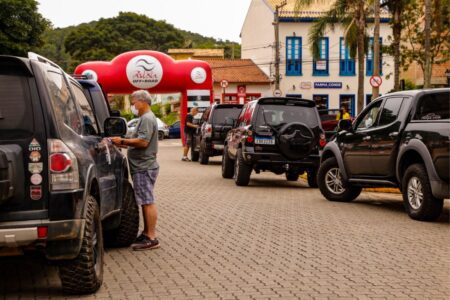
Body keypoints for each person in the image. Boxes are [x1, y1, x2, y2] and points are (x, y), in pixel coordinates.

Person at [111, 90, 160, 251]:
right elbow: (137, 141)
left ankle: (151, 237)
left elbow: (143, 142)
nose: (133, 105)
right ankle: (146, 233)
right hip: (142, 166)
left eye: (134, 102)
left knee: (147, 201)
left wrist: (123, 140)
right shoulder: (144, 118)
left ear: (142, 101)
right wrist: (122, 143)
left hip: (144, 167)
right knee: (144, 201)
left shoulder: (146, 118)